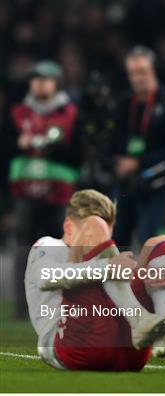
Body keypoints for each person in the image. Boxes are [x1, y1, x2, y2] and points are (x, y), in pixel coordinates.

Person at [25, 188, 165, 371]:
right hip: (75, 348)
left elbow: (133, 289)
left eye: (107, 232)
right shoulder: (48, 245)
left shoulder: (104, 257)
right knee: (110, 266)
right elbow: (44, 278)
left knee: (159, 244)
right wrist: (107, 267)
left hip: (130, 352)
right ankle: (139, 320)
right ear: (69, 226)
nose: (101, 239)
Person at [5, 60, 82, 317]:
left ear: (56, 82)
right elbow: (5, 153)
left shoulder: (70, 113)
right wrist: (18, 145)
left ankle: (62, 305)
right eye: (35, 78)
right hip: (25, 194)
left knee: (62, 250)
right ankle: (23, 307)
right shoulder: (17, 113)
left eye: (45, 78)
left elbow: (79, 154)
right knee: (24, 250)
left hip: (60, 195)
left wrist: (55, 147)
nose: (40, 83)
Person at [113, 46, 165, 247]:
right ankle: (120, 279)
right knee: (118, 238)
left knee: (148, 239)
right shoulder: (124, 103)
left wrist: (138, 162)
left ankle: (147, 279)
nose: (138, 78)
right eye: (133, 73)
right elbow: (115, 138)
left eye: (142, 72)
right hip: (127, 182)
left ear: (154, 70)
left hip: (155, 183)